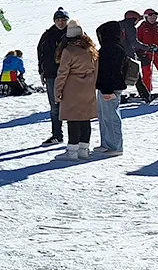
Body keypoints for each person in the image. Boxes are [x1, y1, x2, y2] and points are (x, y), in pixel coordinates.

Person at [54, 20, 98, 161]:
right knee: (85, 119)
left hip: (72, 88)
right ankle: (84, 150)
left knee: (73, 119)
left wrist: (57, 91)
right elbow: (96, 71)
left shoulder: (68, 51)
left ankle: (72, 151)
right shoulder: (91, 49)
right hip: (87, 87)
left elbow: (62, 73)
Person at [37, 8, 70, 145]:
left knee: (71, 106)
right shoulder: (47, 35)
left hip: (71, 75)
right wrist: (42, 71)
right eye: (58, 20)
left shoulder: (74, 33)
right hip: (52, 74)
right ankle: (57, 135)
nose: (61, 22)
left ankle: (76, 137)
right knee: (55, 106)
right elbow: (40, 54)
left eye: (63, 20)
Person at [95, 21, 127, 156]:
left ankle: (115, 146)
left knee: (111, 117)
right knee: (103, 116)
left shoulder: (112, 49)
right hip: (105, 87)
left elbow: (110, 71)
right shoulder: (111, 47)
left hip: (110, 88)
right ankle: (106, 143)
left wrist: (108, 90)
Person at [120, 11, 149, 101]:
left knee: (120, 75)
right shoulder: (130, 27)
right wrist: (146, 48)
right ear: (134, 19)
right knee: (136, 75)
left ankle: (118, 95)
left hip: (117, 54)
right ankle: (146, 96)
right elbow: (134, 42)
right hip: (127, 54)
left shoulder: (118, 25)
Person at [138, 8, 158, 98]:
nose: (153, 18)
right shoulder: (141, 28)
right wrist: (140, 52)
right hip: (146, 53)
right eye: (151, 16)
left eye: (155, 16)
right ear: (146, 17)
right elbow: (137, 41)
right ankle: (147, 91)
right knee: (146, 73)